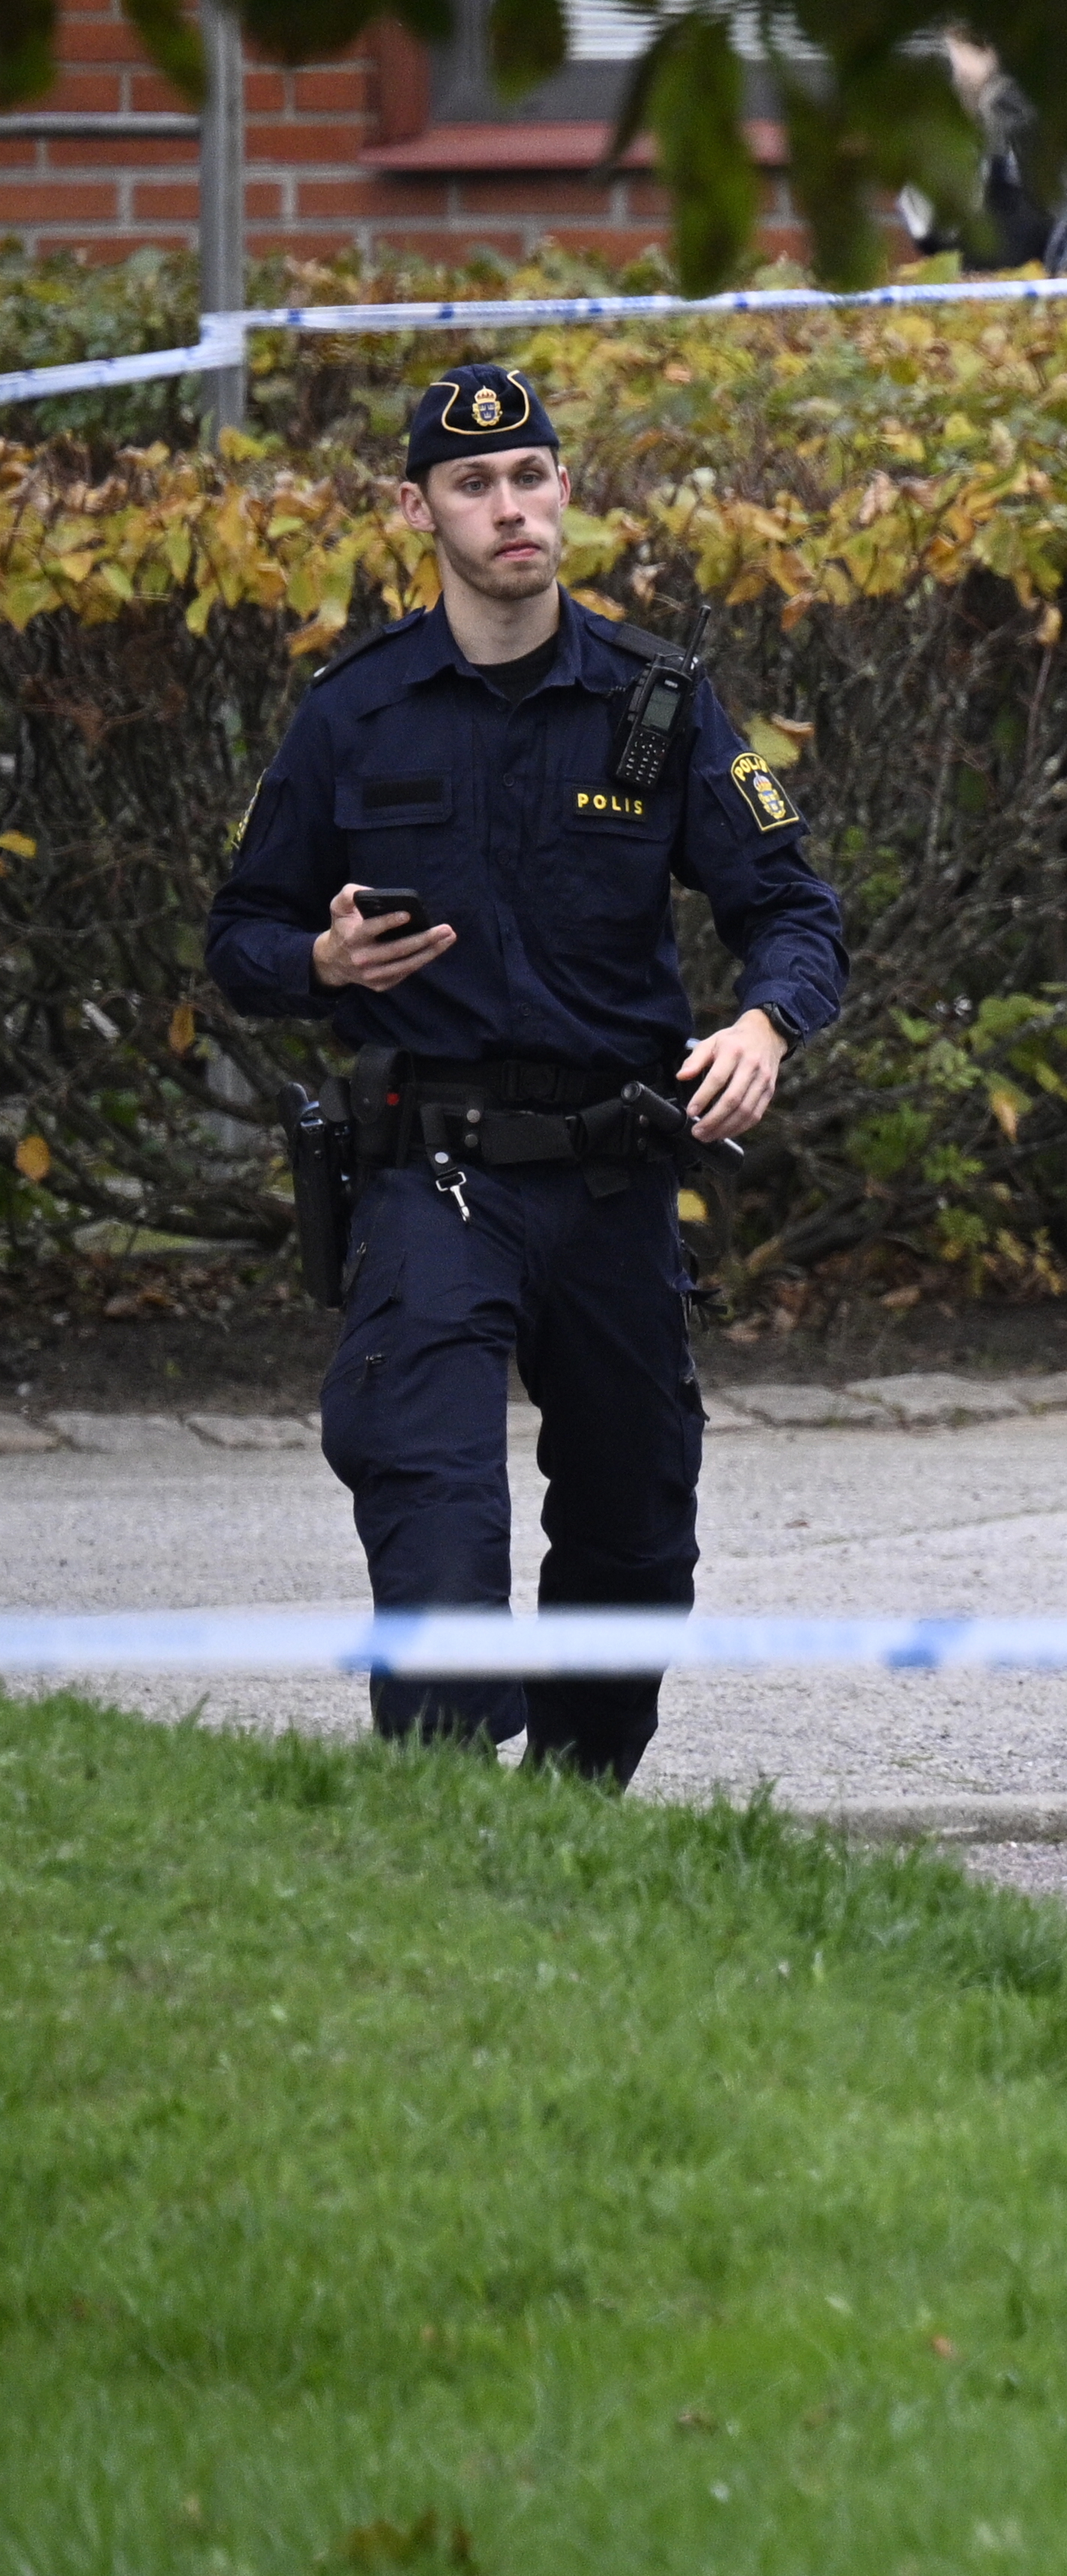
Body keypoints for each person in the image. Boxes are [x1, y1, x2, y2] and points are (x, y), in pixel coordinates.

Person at [205, 361, 847, 1781]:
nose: (511, 509)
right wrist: (319, 964)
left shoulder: (655, 703)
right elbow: (239, 938)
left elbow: (794, 907)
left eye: (531, 476)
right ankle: (443, 1826)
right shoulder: (355, 712)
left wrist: (766, 1026)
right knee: (434, 1511)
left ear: (566, 489)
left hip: (615, 1175)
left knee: (635, 1530)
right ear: (418, 511)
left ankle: (570, 1812)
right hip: (435, 1175)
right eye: (474, 484)